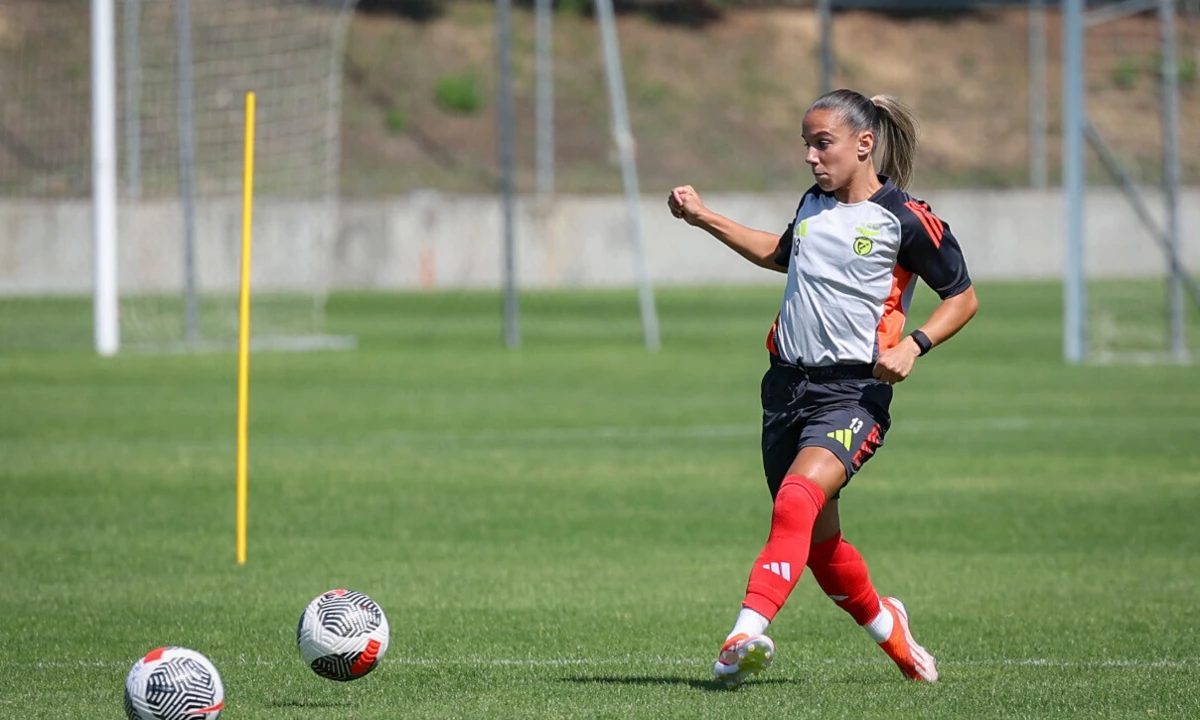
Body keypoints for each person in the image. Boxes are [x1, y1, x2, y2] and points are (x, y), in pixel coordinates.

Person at [667, 88, 979, 688]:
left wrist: (914, 345)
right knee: (817, 544)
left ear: (864, 145)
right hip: (784, 389)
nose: (811, 156)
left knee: (795, 501)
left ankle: (743, 634)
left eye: (822, 143)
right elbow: (780, 253)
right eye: (807, 144)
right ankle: (895, 635)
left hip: (853, 395)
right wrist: (704, 217)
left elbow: (963, 298)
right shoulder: (814, 203)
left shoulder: (907, 220)